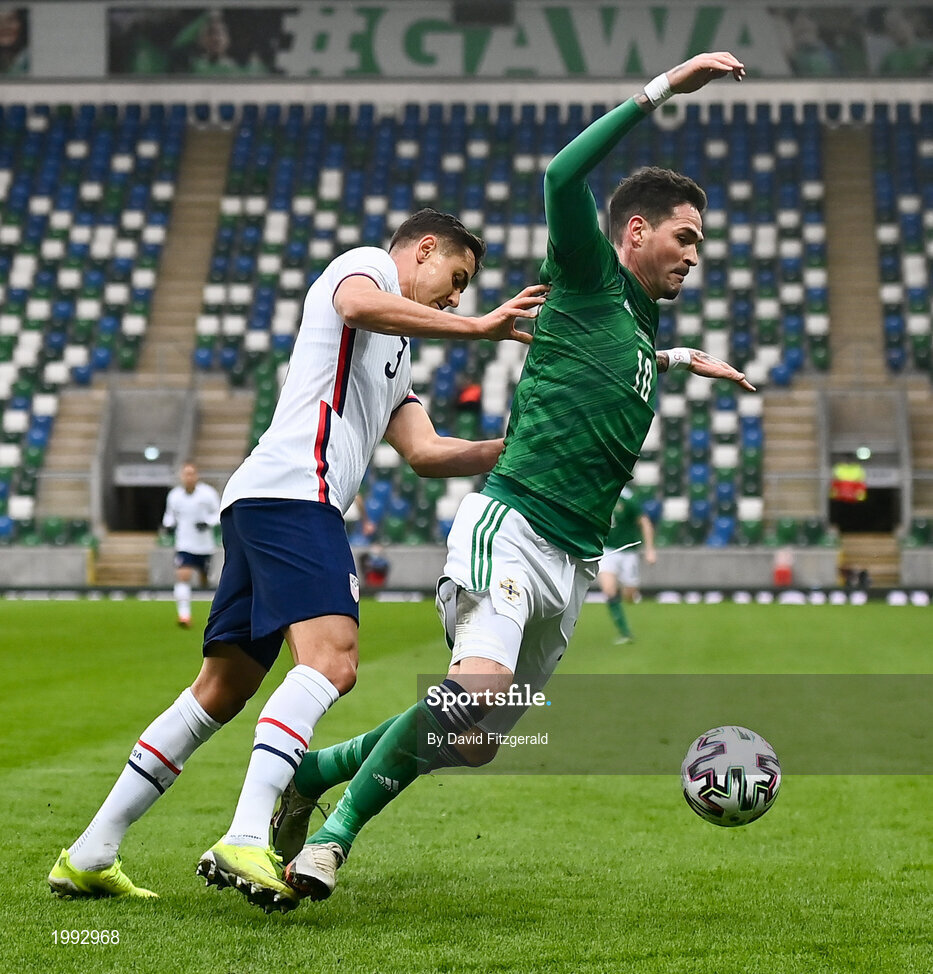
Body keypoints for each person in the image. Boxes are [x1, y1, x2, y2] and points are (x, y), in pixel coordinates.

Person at [273, 52, 753, 906]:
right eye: (684, 236)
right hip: (512, 526)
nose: (694, 255)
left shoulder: (638, 328)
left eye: (701, 244)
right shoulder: (586, 273)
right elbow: (563, 170)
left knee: (474, 736)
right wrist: (665, 88)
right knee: (472, 693)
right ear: (634, 232)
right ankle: (330, 843)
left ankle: (317, 769)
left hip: (569, 560)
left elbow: (612, 364)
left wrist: (680, 360)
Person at [47, 208, 546, 907]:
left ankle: (91, 852)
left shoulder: (395, 353)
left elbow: (426, 452)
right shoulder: (366, 264)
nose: (456, 296)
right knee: (333, 660)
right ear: (423, 249)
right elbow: (354, 303)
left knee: (219, 691)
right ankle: (246, 832)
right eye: (454, 277)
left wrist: (510, 449)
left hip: (265, 496)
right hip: (295, 493)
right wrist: (478, 326)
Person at [161, 461, 221, 628]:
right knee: (183, 575)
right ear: (181, 476)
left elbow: (219, 513)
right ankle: (184, 615)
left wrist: (207, 523)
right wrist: (168, 526)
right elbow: (169, 515)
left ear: (197, 476)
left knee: (204, 581)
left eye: (191, 474)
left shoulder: (208, 494)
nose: (189, 477)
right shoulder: (174, 496)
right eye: (186, 474)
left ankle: (214, 616)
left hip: (204, 545)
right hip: (184, 544)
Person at [597, 486, 656, 644]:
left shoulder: (628, 499)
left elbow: (644, 522)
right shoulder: (601, 494)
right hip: (607, 551)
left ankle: (630, 594)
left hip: (628, 552)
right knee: (609, 590)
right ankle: (625, 633)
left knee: (629, 595)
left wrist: (650, 549)